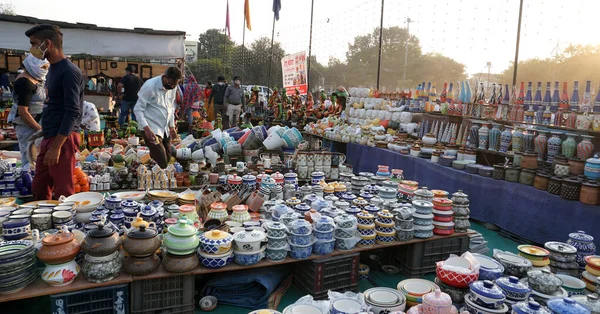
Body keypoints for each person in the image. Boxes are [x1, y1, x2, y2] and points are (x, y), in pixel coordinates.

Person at [27, 24, 83, 200]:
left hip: (62, 139)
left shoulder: (69, 71)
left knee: (63, 190)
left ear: (47, 44)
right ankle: (42, 222)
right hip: (51, 135)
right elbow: (54, 104)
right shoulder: (52, 69)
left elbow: (73, 111)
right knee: (39, 186)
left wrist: (57, 146)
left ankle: (64, 227)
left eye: (34, 44)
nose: (32, 49)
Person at [133, 67, 181, 169]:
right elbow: (138, 109)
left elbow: (171, 107)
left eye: (174, 84)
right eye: (170, 83)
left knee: (168, 157)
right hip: (151, 128)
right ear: (164, 77)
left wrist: (171, 126)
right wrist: (146, 129)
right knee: (162, 161)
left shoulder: (173, 87)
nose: (172, 86)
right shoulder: (150, 87)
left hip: (164, 129)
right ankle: (157, 180)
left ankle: (151, 170)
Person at [7, 54, 48, 169]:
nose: (45, 70)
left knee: (37, 157)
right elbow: (23, 112)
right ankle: (29, 183)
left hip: (36, 123)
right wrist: (39, 129)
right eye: (43, 67)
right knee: (29, 159)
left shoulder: (36, 79)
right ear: (33, 65)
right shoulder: (24, 82)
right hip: (27, 125)